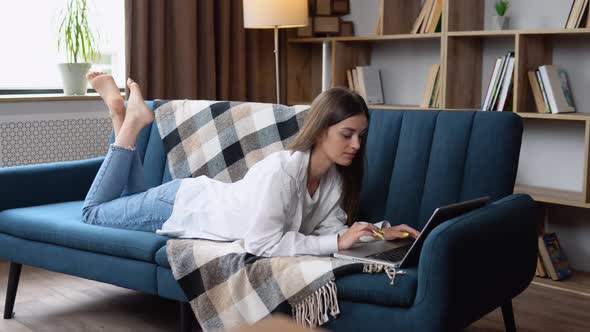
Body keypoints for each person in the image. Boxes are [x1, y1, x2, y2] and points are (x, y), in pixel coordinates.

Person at [82, 72, 420, 257]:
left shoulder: (333, 180)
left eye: (361, 135)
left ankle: (121, 116)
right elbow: (262, 243)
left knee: (128, 197)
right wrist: (337, 243)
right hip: (178, 208)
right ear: (319, 131)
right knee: (95, 212)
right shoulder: (282, 172)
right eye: (347, 134)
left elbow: (332, 235)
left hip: (188, 195)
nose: (356, 145)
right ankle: (127, 117)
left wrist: (377, 234)